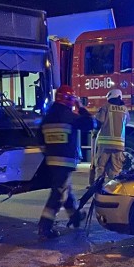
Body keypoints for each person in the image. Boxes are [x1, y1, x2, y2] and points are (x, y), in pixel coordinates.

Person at [38, 85, 94, 239]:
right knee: (59, 194)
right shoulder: (69, 116)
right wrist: (80, 107)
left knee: (65, 189)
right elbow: (91, 124)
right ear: (70, 100)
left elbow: (40, 140)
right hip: (66, 161)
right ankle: (45, 227)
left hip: (51, 161)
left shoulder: (47, 117)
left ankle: (75, 217)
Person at [93, 88, 129, 181]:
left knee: (100, 167)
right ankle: (114, 191)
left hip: (105, 145)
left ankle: (98, 190)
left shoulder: (106, 107)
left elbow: (99, 121)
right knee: (116, 170)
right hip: (119, 146)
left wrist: (94, 133)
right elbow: (127, 122)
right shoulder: (125, 109)